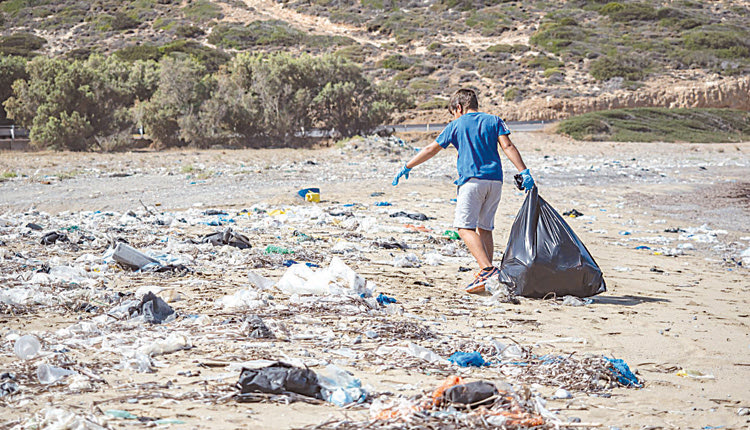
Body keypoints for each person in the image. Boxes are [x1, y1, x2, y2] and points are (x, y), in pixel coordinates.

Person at [392, 88, 534, 294]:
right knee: (485, 228)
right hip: (495, 181)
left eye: (454, 112)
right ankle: (487, 274)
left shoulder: (456, 125)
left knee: (464, 227)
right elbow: (508, 146)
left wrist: (408, 166)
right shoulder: (495, 120)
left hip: (471, 181)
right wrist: (524, 171)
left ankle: (487, 270)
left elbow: (431, 149)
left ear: (458, 107)